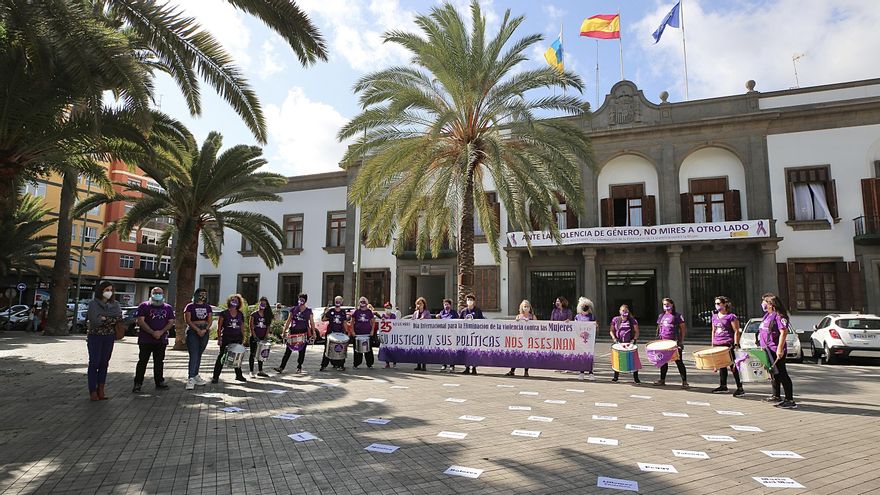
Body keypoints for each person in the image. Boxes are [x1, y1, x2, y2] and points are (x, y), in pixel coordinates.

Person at [759, 293, 797, 409]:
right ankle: (776, 395)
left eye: (764, 302)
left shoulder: (779, 316)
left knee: (782, 373)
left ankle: (789, 399)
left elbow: (783, 332)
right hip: (767, 349)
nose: (762, 304)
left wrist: (780, 349)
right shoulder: (767, 315)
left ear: (771, 304)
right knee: (774, 373)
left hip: (775, 349)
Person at [86, 281, 122, 401]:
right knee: (94, 362)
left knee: (104, 363)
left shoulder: (115, 304)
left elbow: (118, 317)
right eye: (107, 290)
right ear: (101, 291)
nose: (109, 292)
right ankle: (92, 390)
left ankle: (101, 389)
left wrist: (104, 318)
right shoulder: (93, 304)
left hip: (109, 336)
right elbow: (95, 320)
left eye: (111, 290)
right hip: (95, 336)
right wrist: (109, 319)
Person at [133, 287, 174, 393]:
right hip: (145, 339)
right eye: (155, 293)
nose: (157, 295)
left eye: (159, 293)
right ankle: (138, 383)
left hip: (161, 340)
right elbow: (141, 321)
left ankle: (159, 381)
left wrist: (161, 332)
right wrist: (152, 332)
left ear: (163, 294)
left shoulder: (168, 308)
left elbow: (170, 322)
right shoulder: (144, 306)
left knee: (159, 361)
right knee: (143, 361)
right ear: (151, 294)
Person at [711, 296, 744, 397]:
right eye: (715, 304)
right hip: (718, 343)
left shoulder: (731, 316)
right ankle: (723, 385)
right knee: (722, 365)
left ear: (724, 304)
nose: (716, 306)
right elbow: (713, 330)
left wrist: (736, 344)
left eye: (718, 303)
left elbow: (736, 331)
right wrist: (713, 343)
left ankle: (740, 388)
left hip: (728, 343)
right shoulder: (714, 316)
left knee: (733, 366)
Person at [652, 297, 689, 389]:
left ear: (672, 305)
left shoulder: (677, 316)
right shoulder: (661, 316)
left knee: (679, 361)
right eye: (664, 304)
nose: (666, 306)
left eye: (668, 304)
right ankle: (662, 380)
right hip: (663, 341)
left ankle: (684, 382)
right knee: (663, 361)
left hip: (674, 342)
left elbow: (683, 329)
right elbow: (659, 328)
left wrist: (681, 341)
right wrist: (658, 339)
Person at [276, 293, 316, 374]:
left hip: (303, 332)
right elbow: (288, 321)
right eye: (299, 299)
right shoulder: (293, 309)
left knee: (302, 351)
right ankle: (281, 367)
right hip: (293, 332)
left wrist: (314, 332)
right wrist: (284, 331)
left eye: (302, 299)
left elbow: (312, 323)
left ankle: (299, 366)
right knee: (288, 351)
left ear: (305, 301)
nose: (301, 301)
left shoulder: (309, 311)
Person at [211, 294, 247, 384]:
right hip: (226, 337)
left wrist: (243, 337)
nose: (234, 302)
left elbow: (242, 327)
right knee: (222, 356)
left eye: (236, 301)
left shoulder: (240, 314)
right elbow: (219, 327)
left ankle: (238, 375)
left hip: (237, 337)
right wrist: (219, 339)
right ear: (229, 302)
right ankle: (215, 376)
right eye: (232, 300)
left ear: (239, 303)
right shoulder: (224, 313)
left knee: (237, 356)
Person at [184, 288, 212, 390]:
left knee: (199, 354)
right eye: (201, 294)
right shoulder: (190, 306)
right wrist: (197, 330)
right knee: (194, 354)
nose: (202, 296)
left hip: (204, 331)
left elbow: (210, 320)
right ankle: (191, 378)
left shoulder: (207, 307)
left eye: (204, 294)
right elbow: (188, 320)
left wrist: (205, 329)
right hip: (193, 331)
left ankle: (196, 375)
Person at [610, 304, 641, 384]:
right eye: (623, 310)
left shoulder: (632, 320)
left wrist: (634, 340)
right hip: (619, 343)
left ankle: (636, 378)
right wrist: (614, 338)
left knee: (633, 360)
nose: (624, 312)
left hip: (629, 343)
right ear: (620, 311)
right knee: (618, 359)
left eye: (626, 311)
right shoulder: (615, 319)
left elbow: (637, 331)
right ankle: (615, 377)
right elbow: (611, 330)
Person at [320, 296, 352, 372]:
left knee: (341, 349)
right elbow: (323, 319)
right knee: (327, 349)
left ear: (341, 302)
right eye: (336, 301)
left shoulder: (343, 312)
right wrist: (325, 312)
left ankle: (340, 365)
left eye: (339, 301)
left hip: (340, 334)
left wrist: (346, 332)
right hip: (330, 333)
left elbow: (344, 322)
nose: (337, 302)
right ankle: (323, 365)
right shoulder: (331, 311)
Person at [506, 299, 535, 377]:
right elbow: (514, 327)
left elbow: (537, 327)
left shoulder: (532, 317)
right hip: (519, 339)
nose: (526, 308)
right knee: (516, 355)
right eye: (525, 306)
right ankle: (512, 370)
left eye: (528, 306)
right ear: (522, 307)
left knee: (526, 355)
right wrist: (517, 321)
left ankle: (526, 371)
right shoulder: (519, 316)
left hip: (528, 339)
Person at [248, 296, 273, 378]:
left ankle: (260, 370)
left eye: (264, 304)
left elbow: (268, 326)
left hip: (263, 337)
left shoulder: (267, 315)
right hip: (254, 337)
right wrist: (254, 336)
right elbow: (251, 326)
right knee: (252, 354)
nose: (262, 305)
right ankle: (251, 371)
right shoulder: (254, 314)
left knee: (261, 354)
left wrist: (266, 336)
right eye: (261, 303)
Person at [459, 294, 484, 375]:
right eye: (468, 300)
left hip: (475, 334)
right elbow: (459, 322)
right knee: (466, 351)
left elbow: (481, 321)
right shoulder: (463, 311)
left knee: (474, 352)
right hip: (466, 334)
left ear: (474, 301)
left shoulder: (478, 310)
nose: (469, 301)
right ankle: (467, 368)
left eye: (471, 300)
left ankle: (474, 368)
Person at [574, 297, 597, 381]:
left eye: (586, 305)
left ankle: (591, 372)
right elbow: (575, 326)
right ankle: (581, 372)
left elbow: (595, 326)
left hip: (589, 340)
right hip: (580, 339)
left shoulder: (592, 316)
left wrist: (595, 326)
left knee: (589, 356)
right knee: (581, 356)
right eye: (583, 305)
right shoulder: (577, 316)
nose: (585, 307)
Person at [351, 296, 376, 369]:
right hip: (357, 334)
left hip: (367, 334)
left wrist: (372, 331)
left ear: (367, 303)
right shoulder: (356, 311)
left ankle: (369, 364)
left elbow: (373, 322)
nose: (362, 303)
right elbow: (352, 322)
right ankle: (356, 364)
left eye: (364, 302)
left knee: (368, 350)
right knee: (357, 350)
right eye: (361, 302)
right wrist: (352, 331)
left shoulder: (369, 312)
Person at [437, 298, 458, 372]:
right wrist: (438, 318)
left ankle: (452, 365)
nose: (446, 306)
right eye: (445, 304)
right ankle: (444, 364)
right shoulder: (441, 312)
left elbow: (458, 322)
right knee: (444, 350)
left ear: (450, 305)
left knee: (451, 350)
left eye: (447, 304)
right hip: (444, 334)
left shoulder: (454, 313)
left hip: (452, 334)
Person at [412, 297, 432, 371]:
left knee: (423, 350)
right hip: (417, 333)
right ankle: (418, 365)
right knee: (417, 350)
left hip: (424, 333)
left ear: (424, 304)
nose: (419, 305)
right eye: (418, 304)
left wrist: (424, 320)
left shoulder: (427, 312)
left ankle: (424, 366)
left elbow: (430, 321)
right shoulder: (415, 313)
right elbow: (412, 321)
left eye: (420, 303)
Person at [380, 302, 397, 368]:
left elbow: (395, 323)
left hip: (392, 334)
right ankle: (387, 363)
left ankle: (394, 362)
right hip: (386, 335)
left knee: (393, 349)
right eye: (387, 308)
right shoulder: (383, 315)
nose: (388, 309)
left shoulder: (393, 315)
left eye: (389, 308)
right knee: (386, 349)